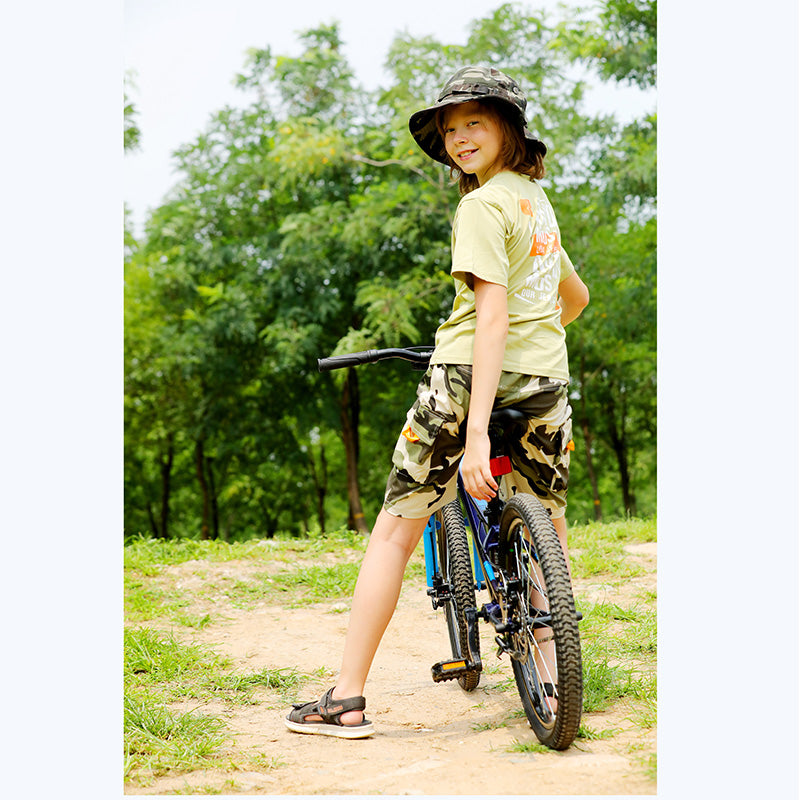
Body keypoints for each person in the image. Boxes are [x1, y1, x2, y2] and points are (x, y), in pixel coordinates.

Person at [285, 65, 589, 739]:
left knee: (396, 529)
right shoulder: (536, 203)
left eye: (474, 122)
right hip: (545, 381)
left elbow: (490, 317)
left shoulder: (481, 206)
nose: (459, 138)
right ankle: (555, 673)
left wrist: (476, 435)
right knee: (550, 522)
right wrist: (533, 346)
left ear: (509, 129)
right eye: (450, 130)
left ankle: (346, 698)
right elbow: (575, 298)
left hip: (463, 378)